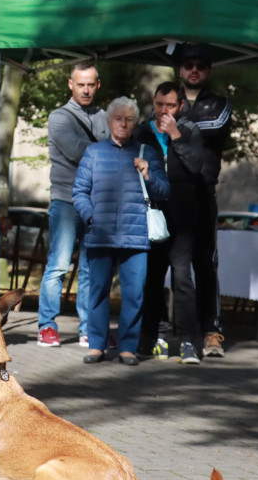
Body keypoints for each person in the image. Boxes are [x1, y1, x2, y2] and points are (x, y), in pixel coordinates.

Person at [73, 97, 169, 366]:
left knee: (134, 293)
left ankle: (128, 346)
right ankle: (96, 344)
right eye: (119, 118)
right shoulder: (94, 152)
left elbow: (165, 191)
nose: (124, 124)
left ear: (134, 122)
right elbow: (79, 192)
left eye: (129, 119)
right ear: (109, 121)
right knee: (98, 291)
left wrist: (149, 174)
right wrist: (91, 215)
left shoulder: (146, 151)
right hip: (100, 234)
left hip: (136, 235)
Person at [38, 61, 109, 347]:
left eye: (91, 84)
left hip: (97, 202)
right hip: (66, 201)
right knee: (59, 264)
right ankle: (47, 325)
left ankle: (88, 327)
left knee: (91, 267)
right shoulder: (59, 117)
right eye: (80, 84)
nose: (86, 90)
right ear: (70, 84)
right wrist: (111, 149)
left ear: (98, 84)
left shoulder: (106, 116)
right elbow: (78, 151)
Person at [134, 82, 205, 364]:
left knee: (182, 279)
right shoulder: (141, 132)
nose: (164, 111)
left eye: (170, 106)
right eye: (160, 104)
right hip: (151, 214)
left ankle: (188, 340)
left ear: (181, 107)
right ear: (154, 102)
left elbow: (196, 167)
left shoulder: (189, 131)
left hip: (183, 217)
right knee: (151, 279)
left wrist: (175, 135)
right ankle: (152, 336)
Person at [177, 44, 232, 357]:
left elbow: (215, 126)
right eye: (188, 65)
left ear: (208, 70)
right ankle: (177, 330)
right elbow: (152, 126)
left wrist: (175, 124)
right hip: (171, 194)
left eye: (200, 65)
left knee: (206, 263)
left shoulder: (221, 103)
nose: (194, 70)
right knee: (175, 267)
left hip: (203, 192)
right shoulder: (171, 100)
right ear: (181, 70)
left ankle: (212, 330)